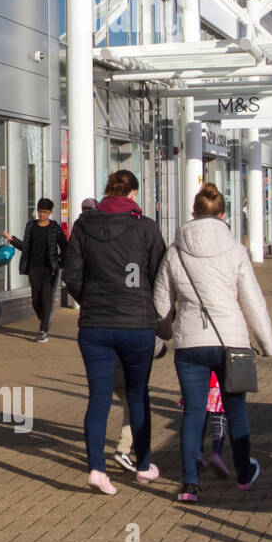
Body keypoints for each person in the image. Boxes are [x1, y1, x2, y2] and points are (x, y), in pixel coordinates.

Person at [154, 183, 272, 503]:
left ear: (193, 213)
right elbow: (252, 301)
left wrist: (164, 333)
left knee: (193, 413)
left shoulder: (175, 250)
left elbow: (160, 301)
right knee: (236, 411)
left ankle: (190, 484)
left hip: (190, 343)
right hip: (231, 342)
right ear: (223, 215)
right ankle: (244, 474)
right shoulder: (236, 250)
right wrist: (265, 342)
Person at [63, 170, 166, 495]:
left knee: (99, 398)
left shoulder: (83, 226)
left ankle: (96, 468)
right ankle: (144, 464)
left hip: (95, 326)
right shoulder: (146, 227)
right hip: (137, 325)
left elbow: (72, 274)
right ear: (133, 194)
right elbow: (159, 276)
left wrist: (89, 301)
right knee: (137, 395)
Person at [3, 197, 65, 343]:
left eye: (45, 212)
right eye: (40, 211)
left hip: (50, 269)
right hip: (33, 268)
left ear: (50, 212)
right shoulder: (31, 226)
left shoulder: (54, 228)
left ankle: (43, 330)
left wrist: (60, 261)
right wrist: (12, 239)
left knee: (46, 299)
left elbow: (65, 245)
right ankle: (44, 318)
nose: (42, 215)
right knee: (36, 300)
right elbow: (26, 247)